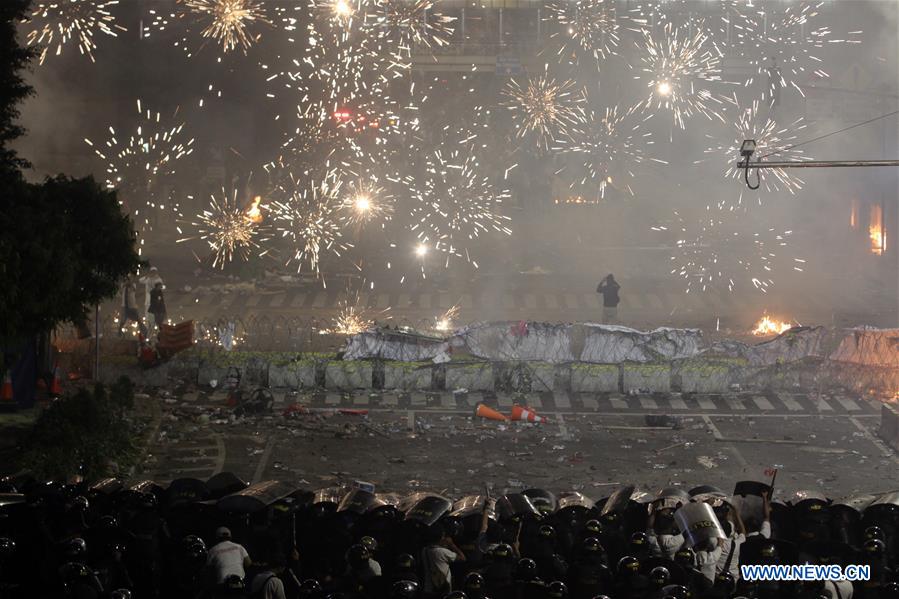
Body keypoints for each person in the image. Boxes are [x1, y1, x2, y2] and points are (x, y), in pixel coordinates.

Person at [420, 526, 465, 598]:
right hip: (442, 590)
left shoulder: (424, 550)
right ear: (440, 538)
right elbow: (462, 558)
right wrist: (452, 544)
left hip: (428, 589)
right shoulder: (441, 552)